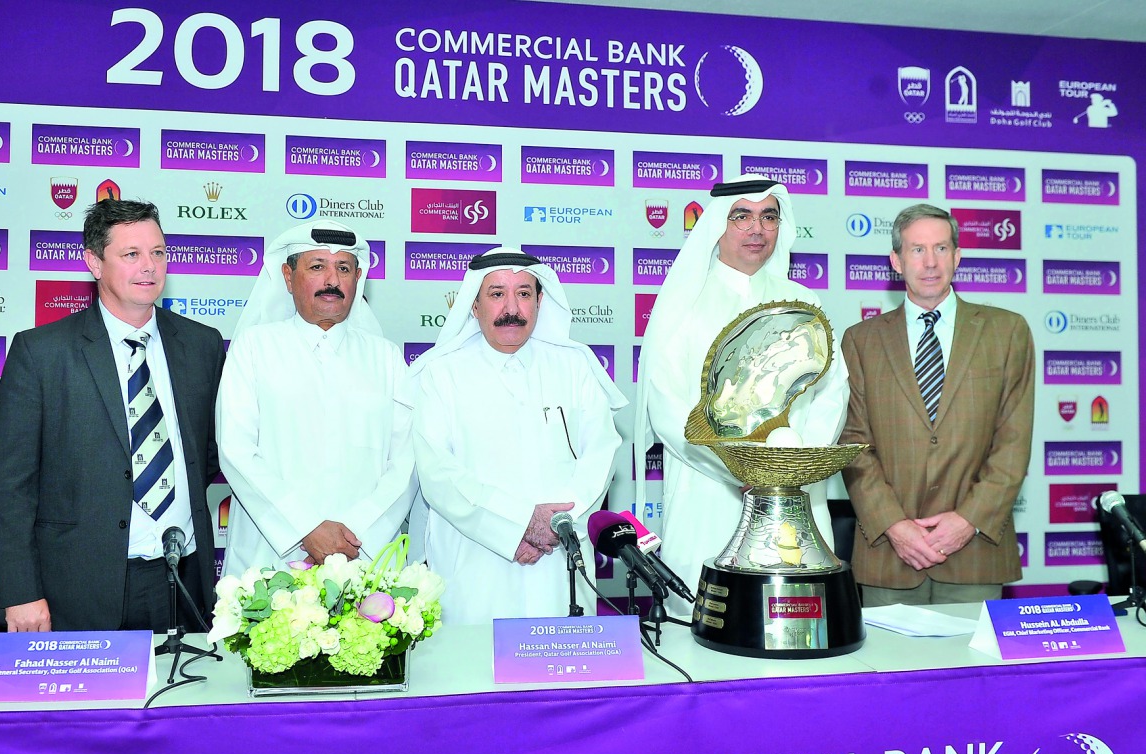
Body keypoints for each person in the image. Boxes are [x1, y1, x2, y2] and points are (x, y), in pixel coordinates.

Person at [0, 199, 224, 632]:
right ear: (94, 262)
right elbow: (8, 483)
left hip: (185, 579)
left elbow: (208, 455)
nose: (149, 266)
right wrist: (20, 592)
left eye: (158, 252)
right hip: (80, 590)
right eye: (131, 255)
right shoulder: (41, 353)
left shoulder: (202, 345)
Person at [634, 175, 848, 619]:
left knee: (796, 628)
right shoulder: (683, 304)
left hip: (794, 495)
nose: (757, 228)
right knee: (703, 625)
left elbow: (832, 392)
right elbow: (667, 409)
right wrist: (745, 471)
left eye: (769, 216)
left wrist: (788, 469)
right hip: (706, 489)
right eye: (742, 217)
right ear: (717, 225)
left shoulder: (803, 300)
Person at [403, 249, 625, 624]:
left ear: (540, 301)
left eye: (524, 293)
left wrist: (554, 527)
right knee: (473, 671)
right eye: (496, 294)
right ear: (474, 305)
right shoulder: (441, 373)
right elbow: (438, 475)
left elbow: (601, 452)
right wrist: (517, 526)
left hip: (560, 557)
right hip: (477, 556)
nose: (512, 308)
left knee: (566, 674)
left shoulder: (575, 366)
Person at [840, 204, 1034, 606]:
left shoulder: (1007, 331)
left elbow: (1013, 443)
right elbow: (852, 445)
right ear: (896, 261)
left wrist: (967, 522)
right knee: (889, 670)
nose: (930, 263)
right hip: (889, 556)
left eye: (941, 249)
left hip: (975, 552)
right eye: (916, 250)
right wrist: (894, 526)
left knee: (976, 671)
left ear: (958, 256)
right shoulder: (860, 341)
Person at [217, 221, 416, 575]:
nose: (332, 280)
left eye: (343, 268)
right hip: (272, 557)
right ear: (288, 277)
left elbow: (406, 460)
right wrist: (305, 528)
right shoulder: (254, 347)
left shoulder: (385, 356)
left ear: (357, 278)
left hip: (363, 556)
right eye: (317, 267)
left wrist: (356, 532)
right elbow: (236, 450)